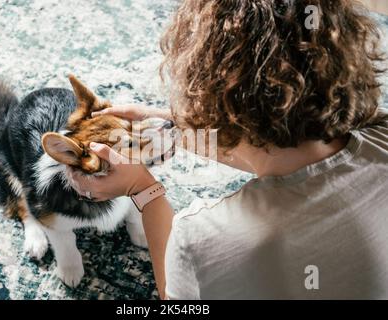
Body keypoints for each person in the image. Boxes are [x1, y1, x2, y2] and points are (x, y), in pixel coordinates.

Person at [69, 0, 388, 299]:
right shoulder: (381, 134)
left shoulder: (201, 237)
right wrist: (170, 124)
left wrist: (144, 190)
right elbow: (279, 140)